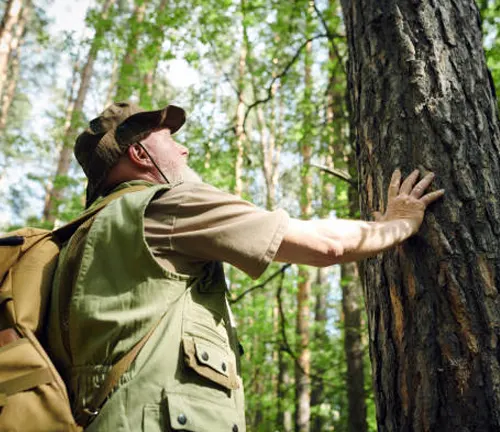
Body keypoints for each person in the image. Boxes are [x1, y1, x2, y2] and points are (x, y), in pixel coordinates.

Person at [46, 101, 444, 432]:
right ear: (139, 153)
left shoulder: (72, 241)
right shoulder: (165, 206)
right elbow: (327, 246)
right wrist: (398, 223)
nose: (183, 150)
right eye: (169, 140)